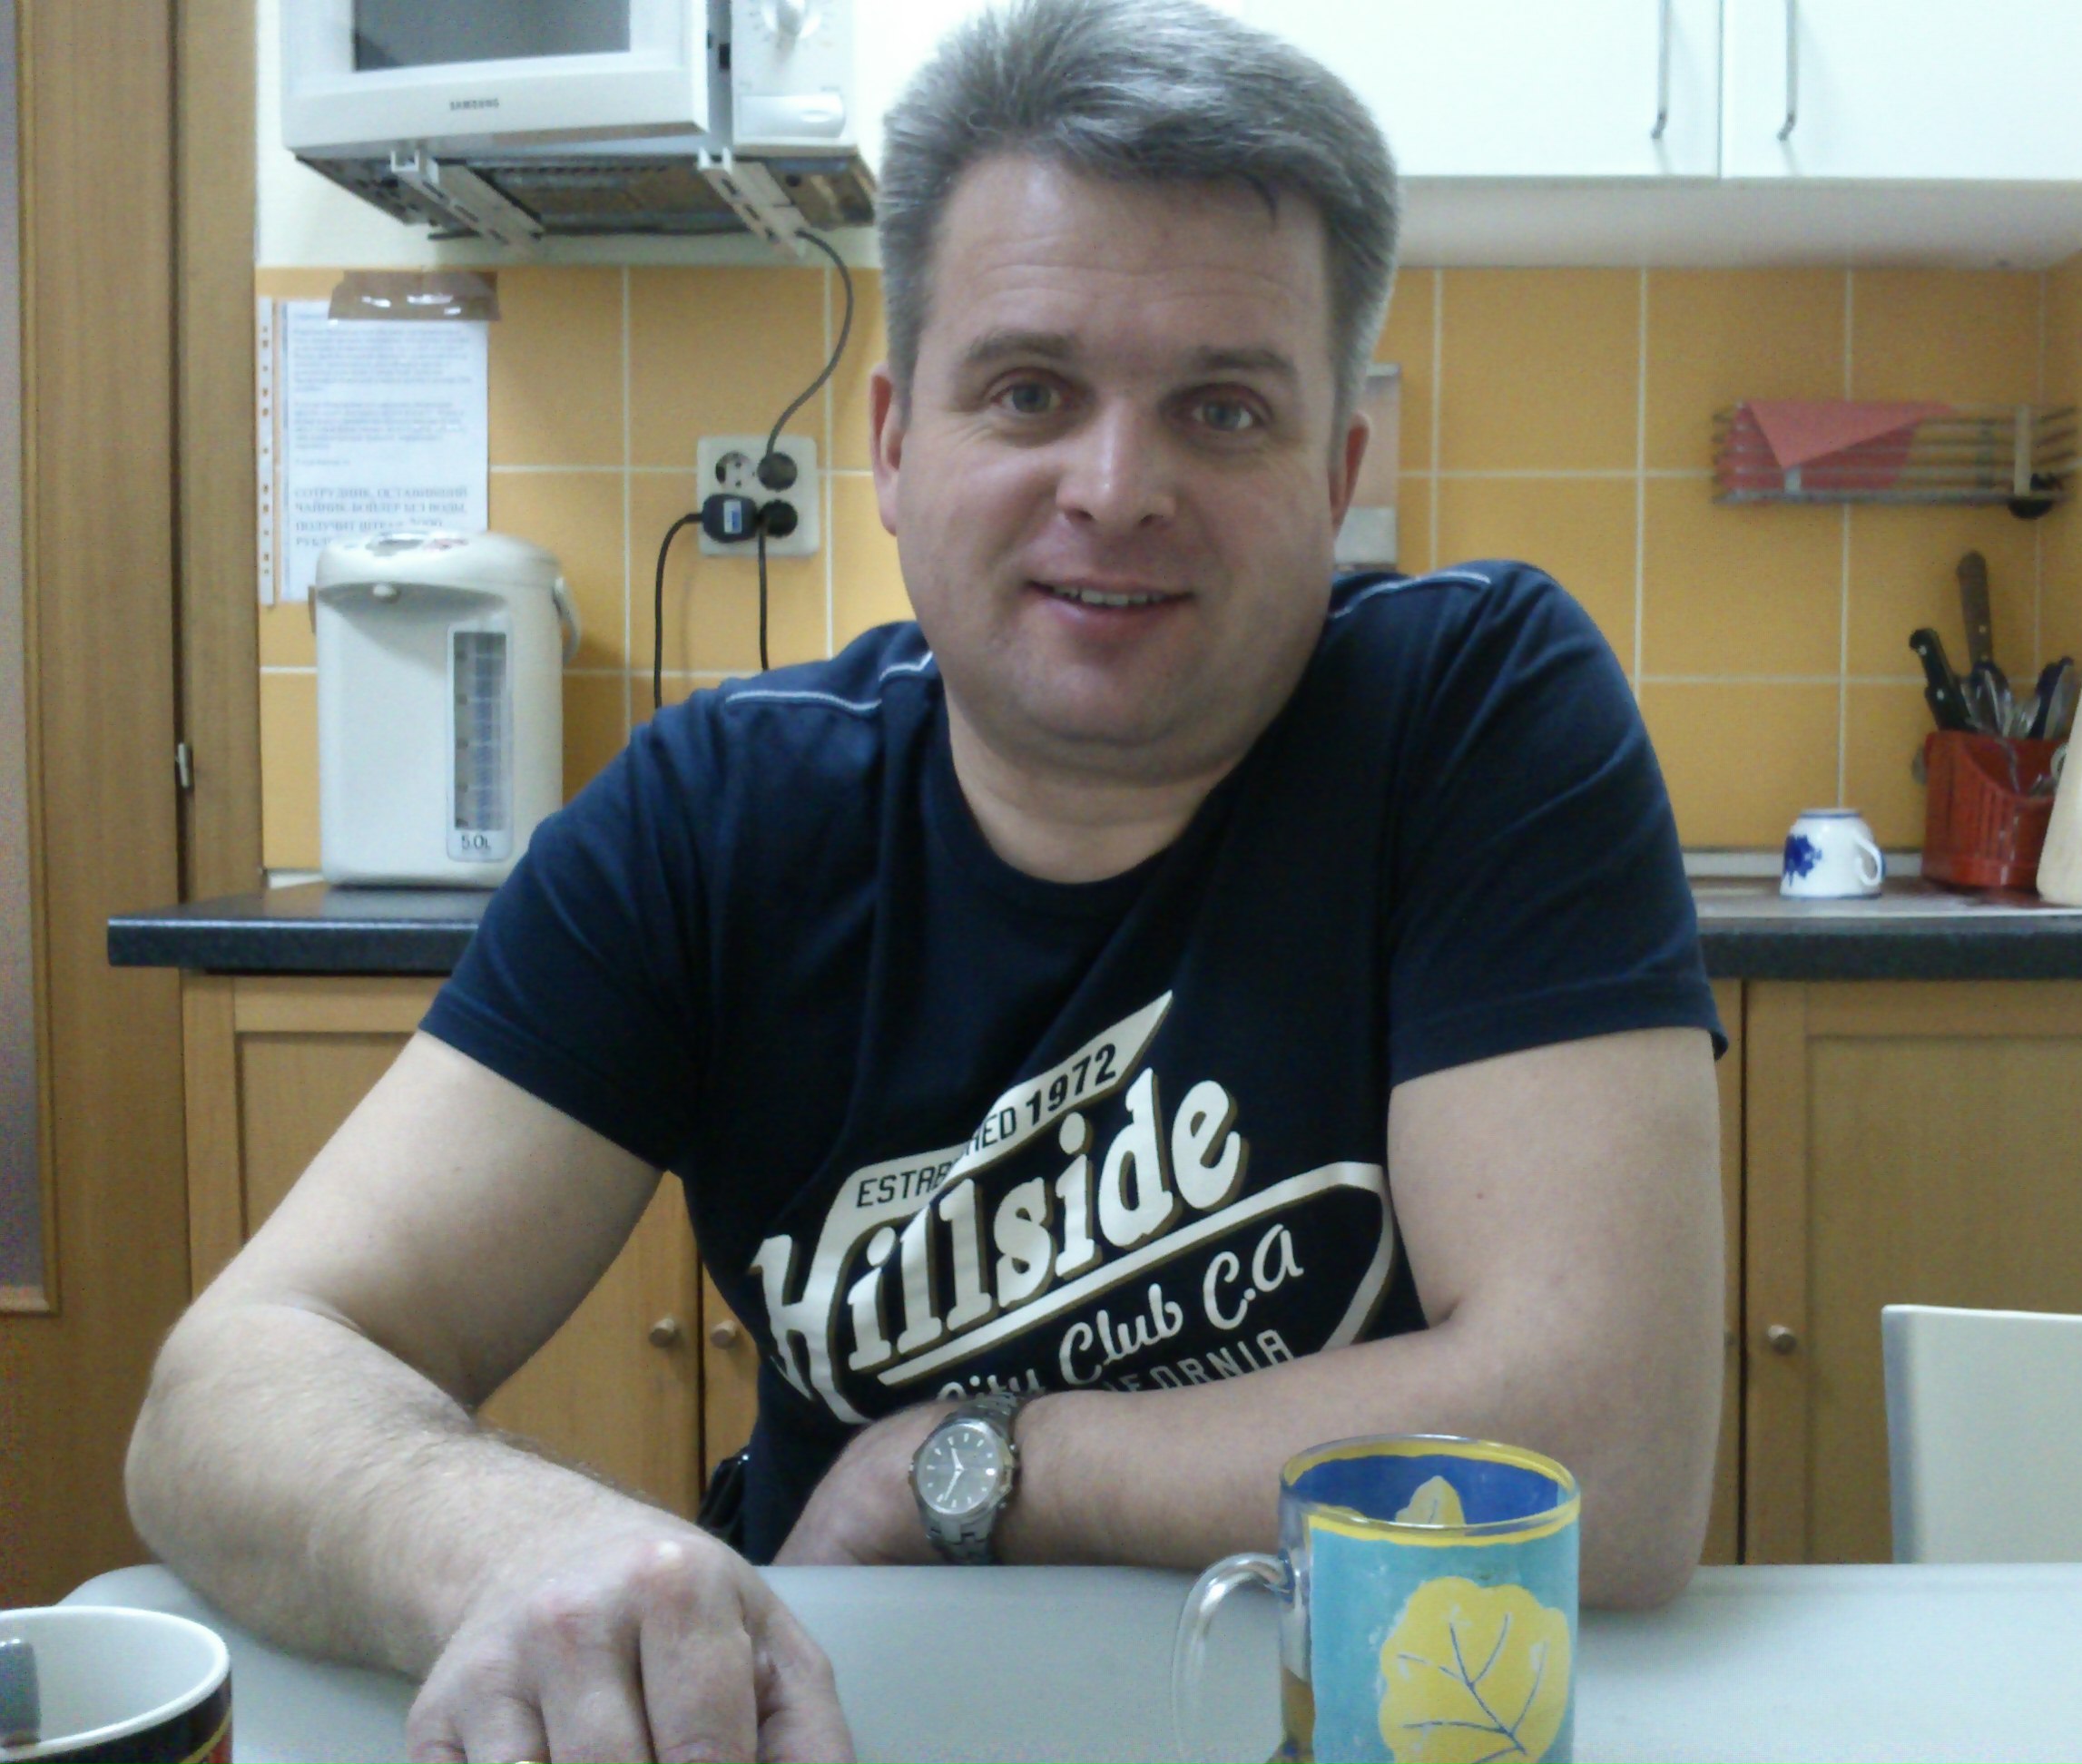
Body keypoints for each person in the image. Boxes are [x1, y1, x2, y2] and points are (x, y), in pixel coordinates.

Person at [125, 0, 1727, 1758]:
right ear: (892, 444)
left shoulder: (1476, 712)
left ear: (1337, 474)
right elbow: (227, 1390)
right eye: (1030, 391)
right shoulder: (717, 816)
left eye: (1223, 410)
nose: (1117, 488)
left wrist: (962, 1470)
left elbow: (1610, 1443)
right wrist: (524, 1545)